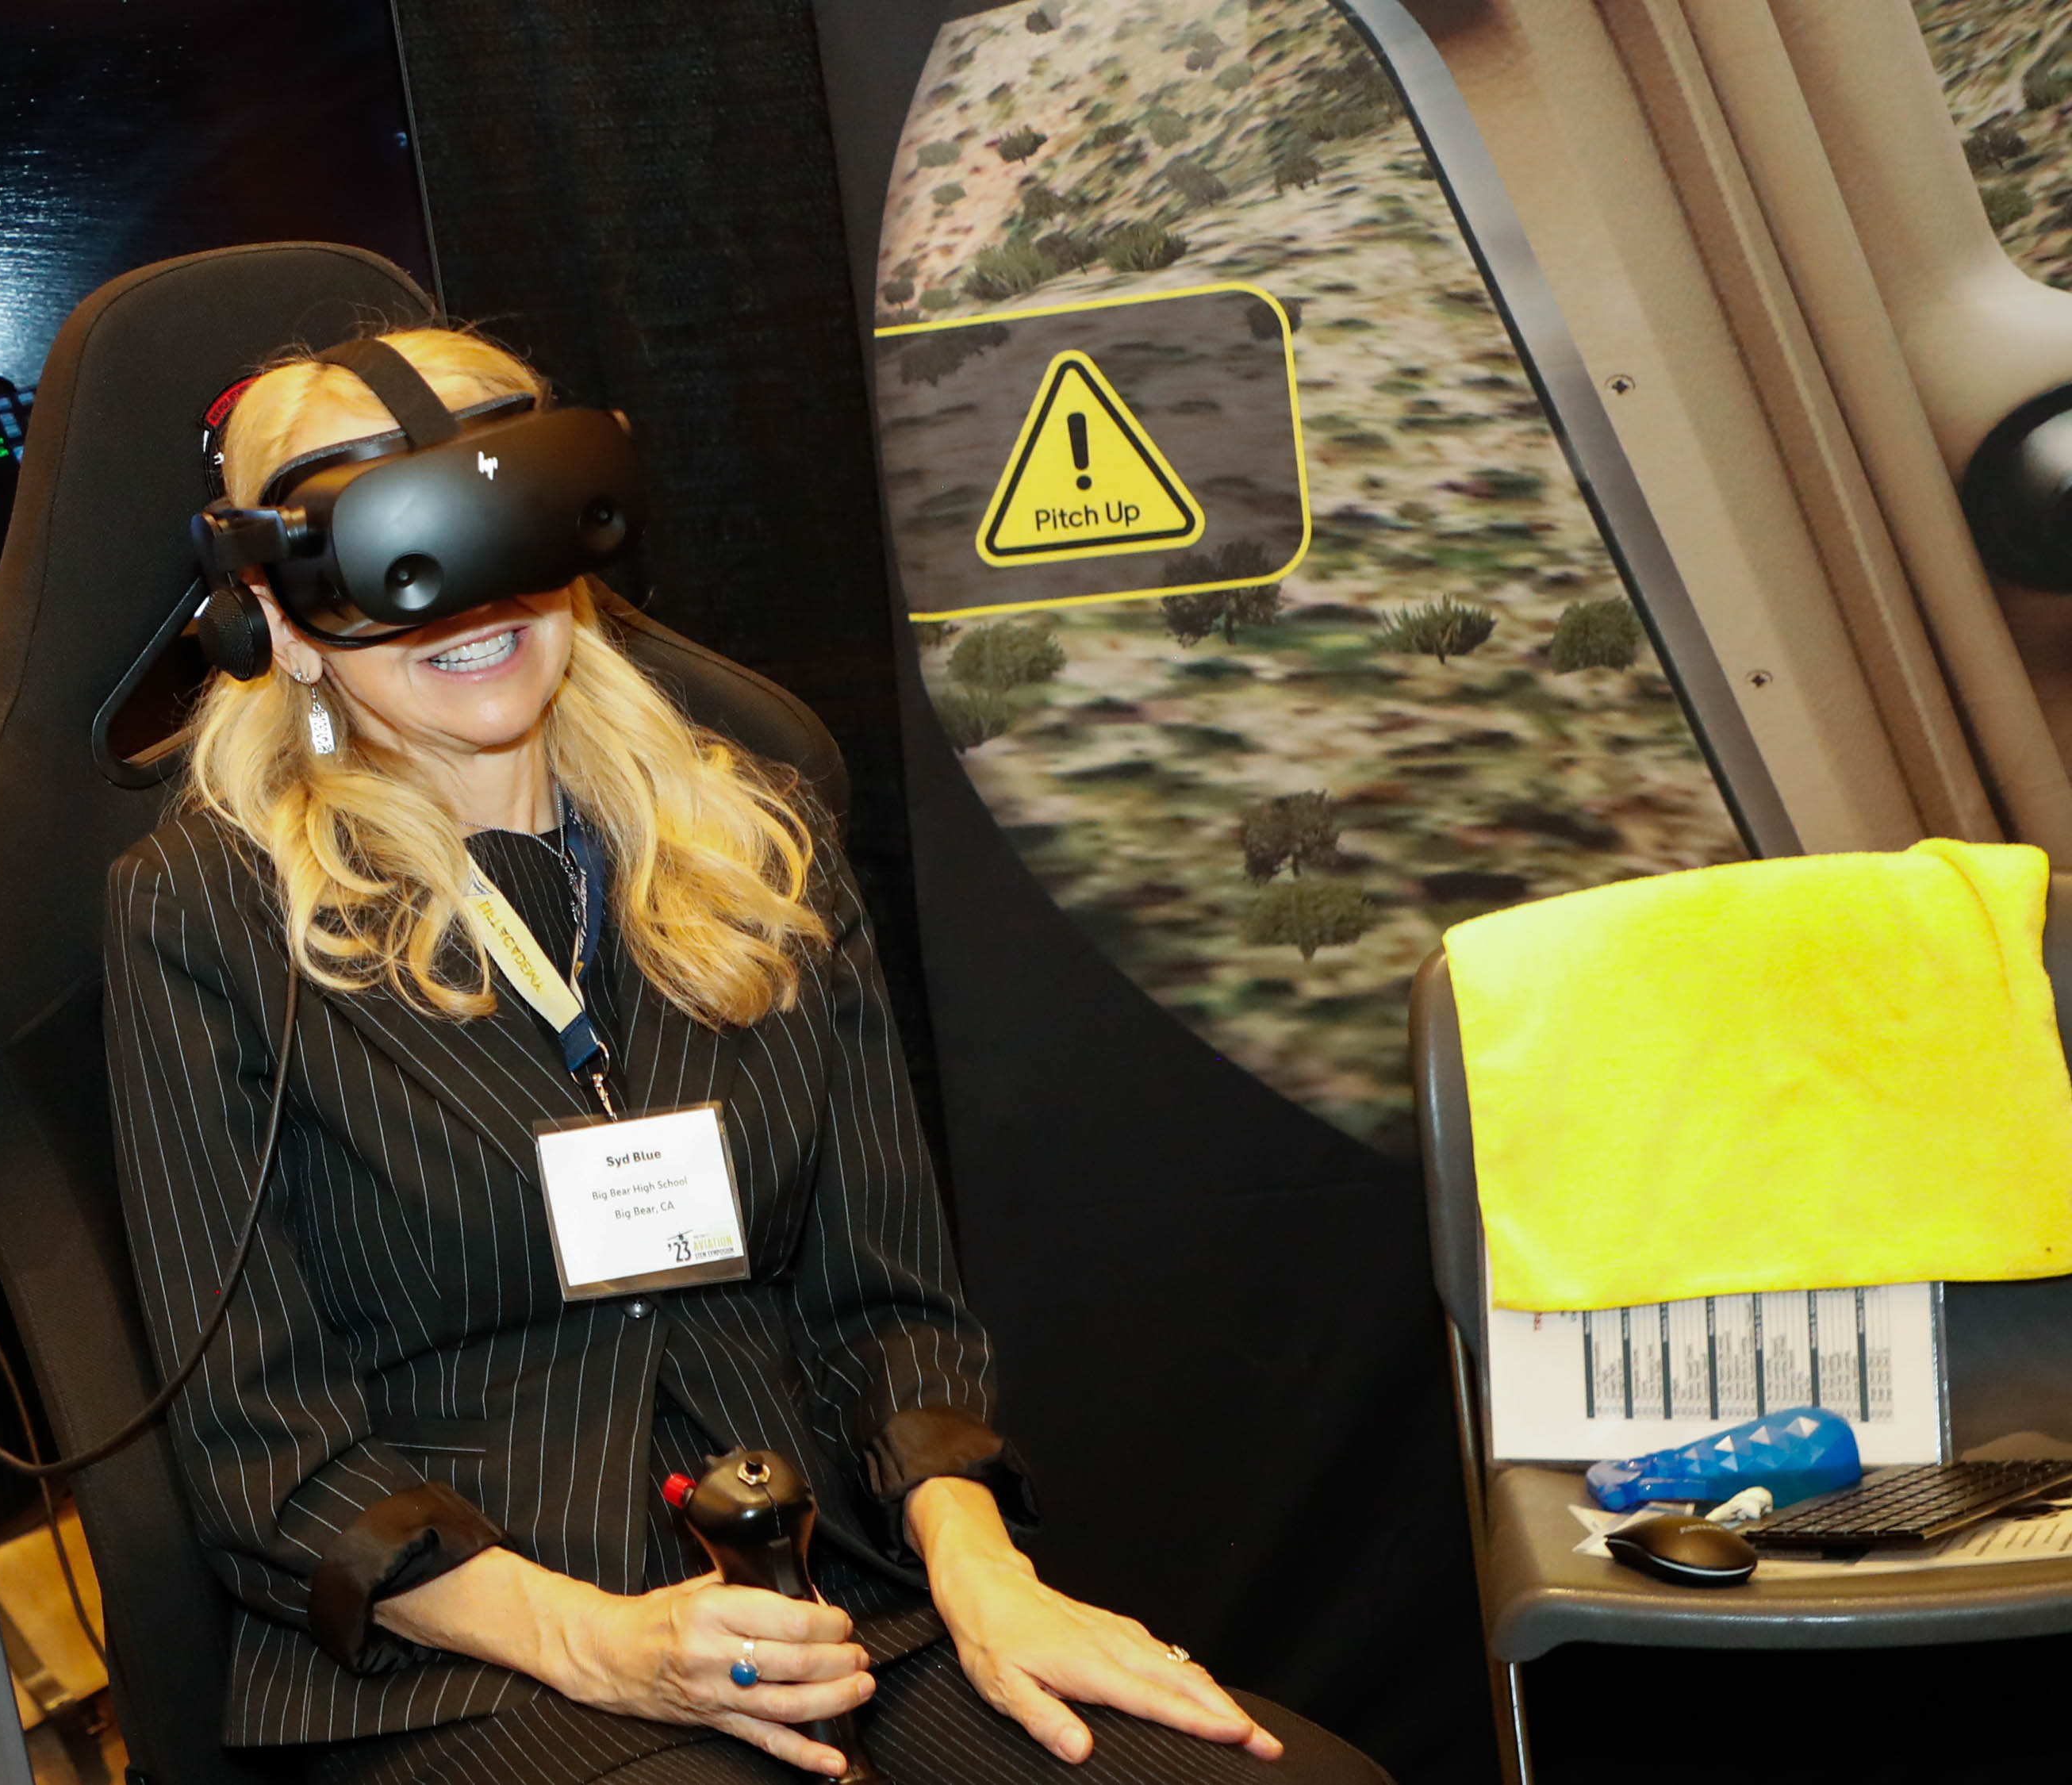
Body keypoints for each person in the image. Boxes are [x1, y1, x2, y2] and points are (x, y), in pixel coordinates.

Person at [102, 327, 1387, 1784]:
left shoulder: (754, 837)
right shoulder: (208, 910)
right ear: (270, 618)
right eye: (391, 563)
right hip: (470, 1661)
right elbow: (263, 1445)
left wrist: (983, 1578)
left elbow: (888, 1301)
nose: (467, 604)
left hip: (835, 1597)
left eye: (499, 522)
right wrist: (601, 1642)